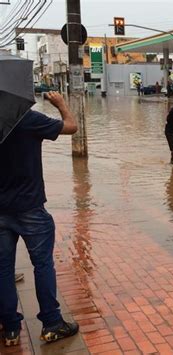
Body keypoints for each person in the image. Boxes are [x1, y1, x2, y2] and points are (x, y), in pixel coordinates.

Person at [0, 92, 79, 347]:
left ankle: (10, 328)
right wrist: (61, 104)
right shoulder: (27, 119)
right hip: (31, 207)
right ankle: (52, 324)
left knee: (2, 270)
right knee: (43, 265)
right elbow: (71, 127)